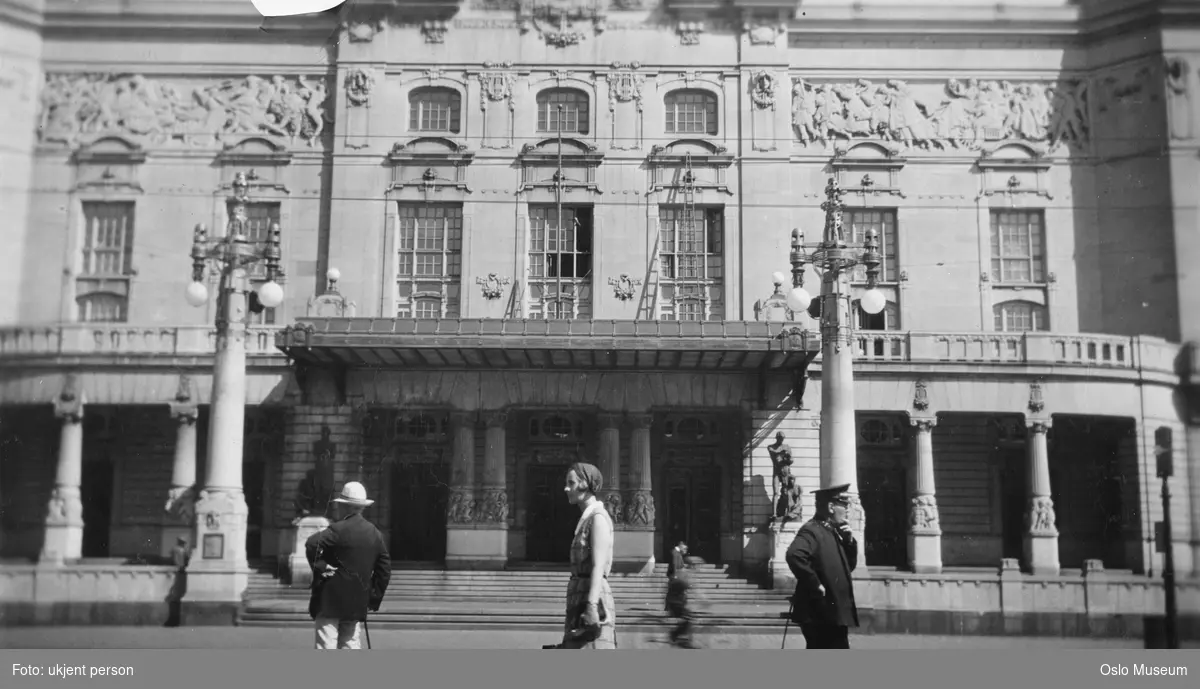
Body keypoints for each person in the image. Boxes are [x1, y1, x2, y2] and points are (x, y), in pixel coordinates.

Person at [305, 481, 391, 650]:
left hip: (330, 600)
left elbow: (311, 543)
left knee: (326, 645)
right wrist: (374, 598)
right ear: (362, 507)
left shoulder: (337, 529)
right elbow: (384, 569)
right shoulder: (374, 533)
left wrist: (322, 566)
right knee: (350, 644)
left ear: (344, 507)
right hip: (357, 600)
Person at [784, 482, 860, 649]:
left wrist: (848, 543)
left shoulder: (832, 531)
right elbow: (794, 555)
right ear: (831, 506)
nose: (847, 509)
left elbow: (848, 567)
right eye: (844, 505)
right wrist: (815, 583)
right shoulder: (812, 530)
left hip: (833, 614)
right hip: (821, 614)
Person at [560, 462, 617, 649]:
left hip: (593, 596)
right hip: (580, 594)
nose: (566, 488)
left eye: (571, 483)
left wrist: (591, 606)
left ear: (585, 484)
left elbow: (598, 566)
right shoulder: (586, 518)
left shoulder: (598, 518)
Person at [665, 541, 697, 648]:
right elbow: (675, 564)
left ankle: (680, 636)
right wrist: (675, 575)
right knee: (686, 617)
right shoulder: (676, 553)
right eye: (685, 549)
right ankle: (678, 636)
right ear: (681, 546)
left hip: (676, 586)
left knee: (685, 614)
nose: (685, 551)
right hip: (675, 580)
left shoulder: (677, 553)